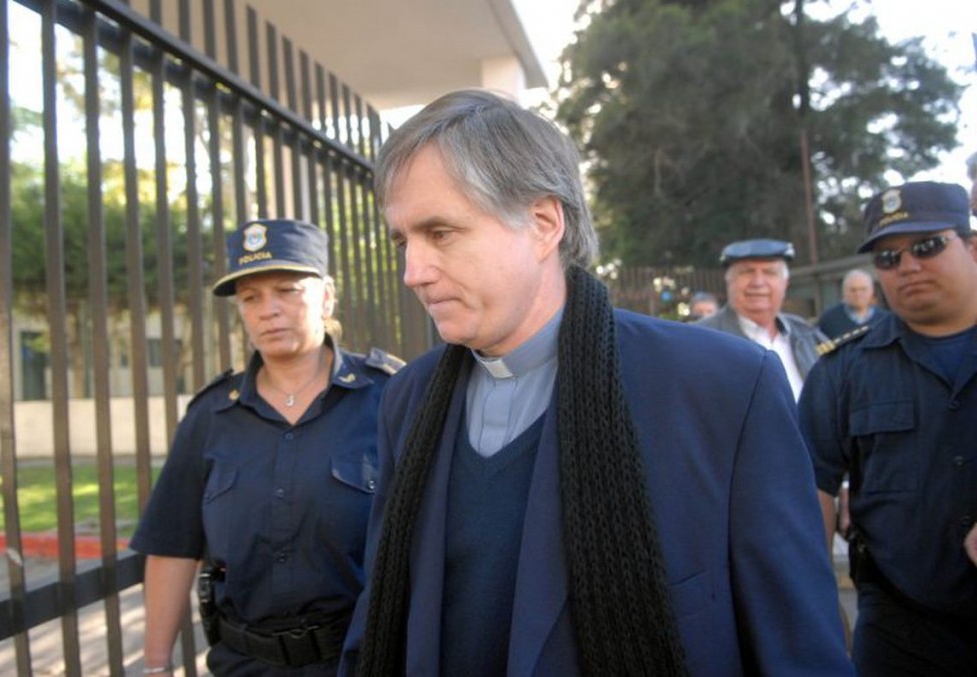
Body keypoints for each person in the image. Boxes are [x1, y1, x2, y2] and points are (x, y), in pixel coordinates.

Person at [339, 89, 852, 676]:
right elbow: (380, 614)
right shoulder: (408, 398)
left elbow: (796, 646)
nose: (413, 272)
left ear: (543, 223)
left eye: (441, 233)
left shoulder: (722, 388)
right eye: (403, 241)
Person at [130, 219, 402, 676]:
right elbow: (172, 546)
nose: (268, 310)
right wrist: (156, 667)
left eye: (287, 290)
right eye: (251, 298)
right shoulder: (211, 415)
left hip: (363, 659)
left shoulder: (388, 397)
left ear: (327, 297)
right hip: (244, 664)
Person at [799, 181, 977, 676]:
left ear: (972, 247)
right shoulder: (843, 370)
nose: (908, 266)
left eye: (927, 246)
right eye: (888, 258)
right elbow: (813, 486)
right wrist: (819, 603)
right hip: (901, 627)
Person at [696, 238, 827, 400]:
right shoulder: (699, 340)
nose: (758, 282)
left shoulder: (808, 335)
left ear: (785, 284)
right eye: (747, 272)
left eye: (770, 272)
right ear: (729, 281)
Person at [816, 269, 888, 339]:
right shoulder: (828, 320)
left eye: (863, 289)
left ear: (872, 291)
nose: (858, 294)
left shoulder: (885, 320)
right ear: (844, 292)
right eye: (853, 290)